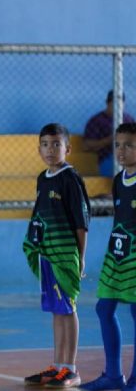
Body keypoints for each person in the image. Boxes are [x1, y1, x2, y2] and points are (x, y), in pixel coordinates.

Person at [22, 123, 90, 388]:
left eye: (56, 144)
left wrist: (80, 256)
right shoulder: (42, 178)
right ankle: (58, 365)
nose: (50, 149)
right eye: (45, 144)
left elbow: (81, 222)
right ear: (38, 149)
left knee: (68, 309)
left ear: (68, 149)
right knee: (56, 310)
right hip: (47, 254)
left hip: (64, 255)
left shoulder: (70, 179)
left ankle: (71, 369)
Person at [80, 122, 136, 391]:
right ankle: (113, 375)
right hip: (117, 255)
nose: (121, 150)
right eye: (117, 145)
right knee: (104, 308)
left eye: (129, 145)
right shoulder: (118, 180)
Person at [84, 90, 135, 177]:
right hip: (108, 158)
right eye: (114, 104)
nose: (117, 107)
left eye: (120, 104)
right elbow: (86, 146)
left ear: (124, 104)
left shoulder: (128, 119)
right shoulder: (97, 121)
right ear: (107, 103)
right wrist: (110, 139)